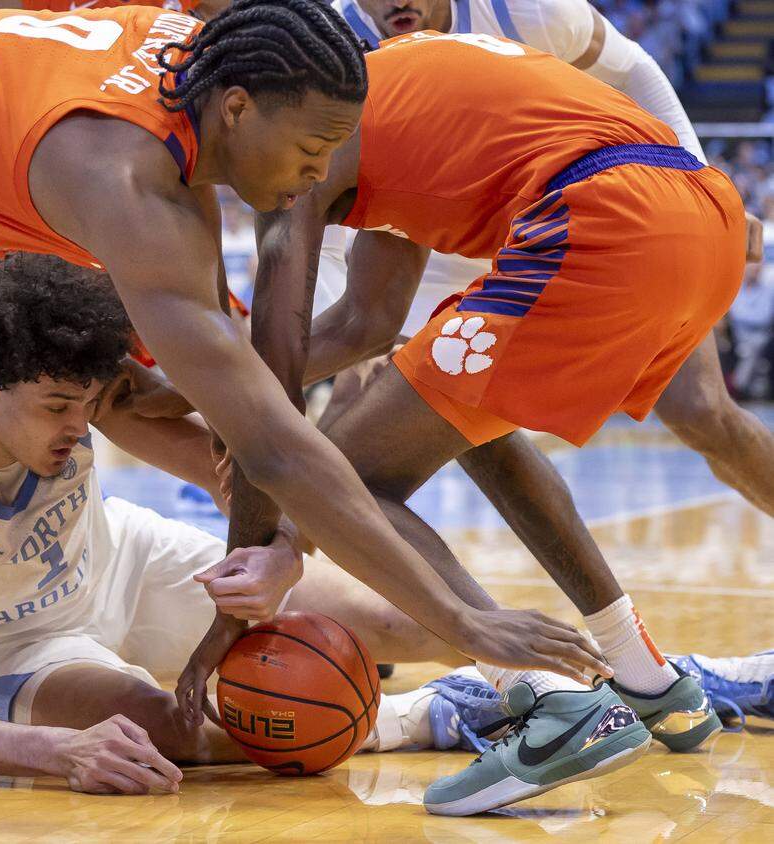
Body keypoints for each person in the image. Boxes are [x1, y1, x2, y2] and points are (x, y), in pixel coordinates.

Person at [0, 0, 603, 716]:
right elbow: (273, 442)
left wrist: (259, 561)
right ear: (237, 109)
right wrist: (462, 619)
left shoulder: (197, 62)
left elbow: (253, 413)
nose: (320, 178)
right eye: (311, 151)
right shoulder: (136, 191)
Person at [229, 31, 745, 815]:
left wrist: (257, 557)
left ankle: (548, 699)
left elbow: (275, 355)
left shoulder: (306, 131)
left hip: (602, 216)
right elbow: (365, 324)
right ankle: (647, 679)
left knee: (341, 480)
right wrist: (194, 392)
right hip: (703, 217)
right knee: (465, 418)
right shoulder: (396, 95)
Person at [0, 251, 493, 793]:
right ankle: (420, 715)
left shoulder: (69, 384)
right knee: (162, 731)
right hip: (10, 648)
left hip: (123, 560)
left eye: (88, 404)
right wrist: (60, 751)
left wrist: (282, 551)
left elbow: (249, 473)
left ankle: (543, 686)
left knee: (405, 618)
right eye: (57, 409)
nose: (80, 426)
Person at [327, 0, 774, 516]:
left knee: (703, 412)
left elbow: (635, 67)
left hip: (582, 214)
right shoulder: (333, 40)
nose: (398, 2)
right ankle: (282, 557)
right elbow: (325, 230)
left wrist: (701, 174)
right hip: (446, 230)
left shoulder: (527, 9)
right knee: (365, 399)